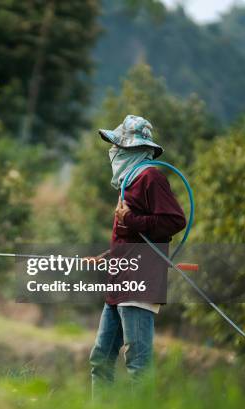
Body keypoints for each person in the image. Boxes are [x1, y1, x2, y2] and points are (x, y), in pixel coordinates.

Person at [88, 115, 187, 395]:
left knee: (138, 363)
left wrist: (131, 219)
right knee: (100, 358)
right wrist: (109, 255)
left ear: (133, 149)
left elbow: (174, 221)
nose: (114, 151)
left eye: (118, 145)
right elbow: (136, 235)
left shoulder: (150, 177)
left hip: (139, 283)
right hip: (119, 283)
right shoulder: (128, 181)